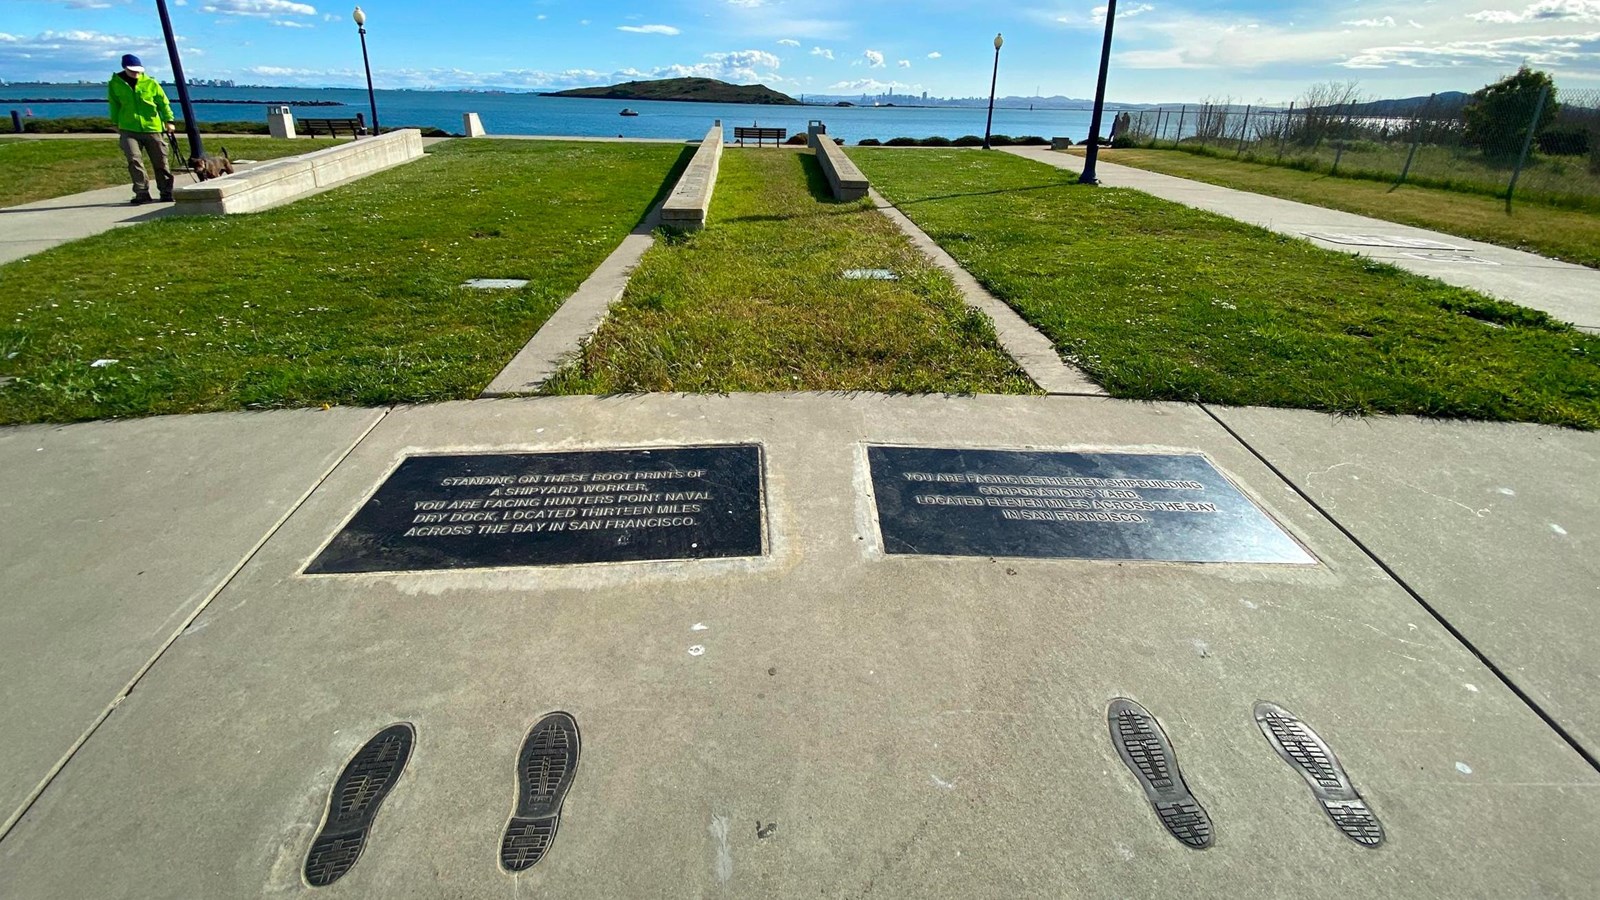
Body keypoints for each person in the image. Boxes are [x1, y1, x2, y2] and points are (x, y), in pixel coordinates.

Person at [107, 54, 177, 205]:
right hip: (128, 127)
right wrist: (115, 123)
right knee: (134, 160)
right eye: (132, 70)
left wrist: (168, 120)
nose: (136, 74)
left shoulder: (151, 83)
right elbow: (114, 105)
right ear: (124, 68)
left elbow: (163, 103)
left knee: (160, 161)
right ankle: (141, 192)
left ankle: (166, 191)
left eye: (138, 70)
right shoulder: (114, 84)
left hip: (152, 127)